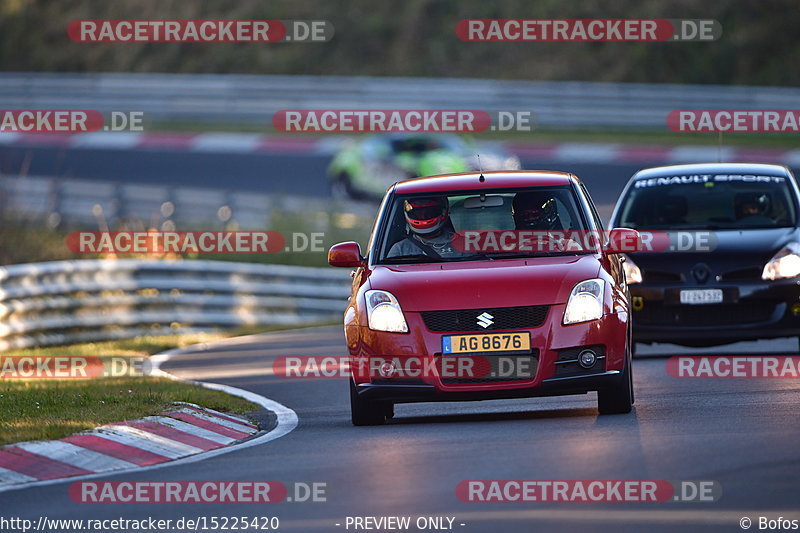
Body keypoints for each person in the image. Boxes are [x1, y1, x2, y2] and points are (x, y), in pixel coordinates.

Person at [387, 196, 467, 258]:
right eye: (418, 213)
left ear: (443, 212)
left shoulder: (464, 245)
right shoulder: (400, 249)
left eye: (429, 212)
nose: (423, 216)